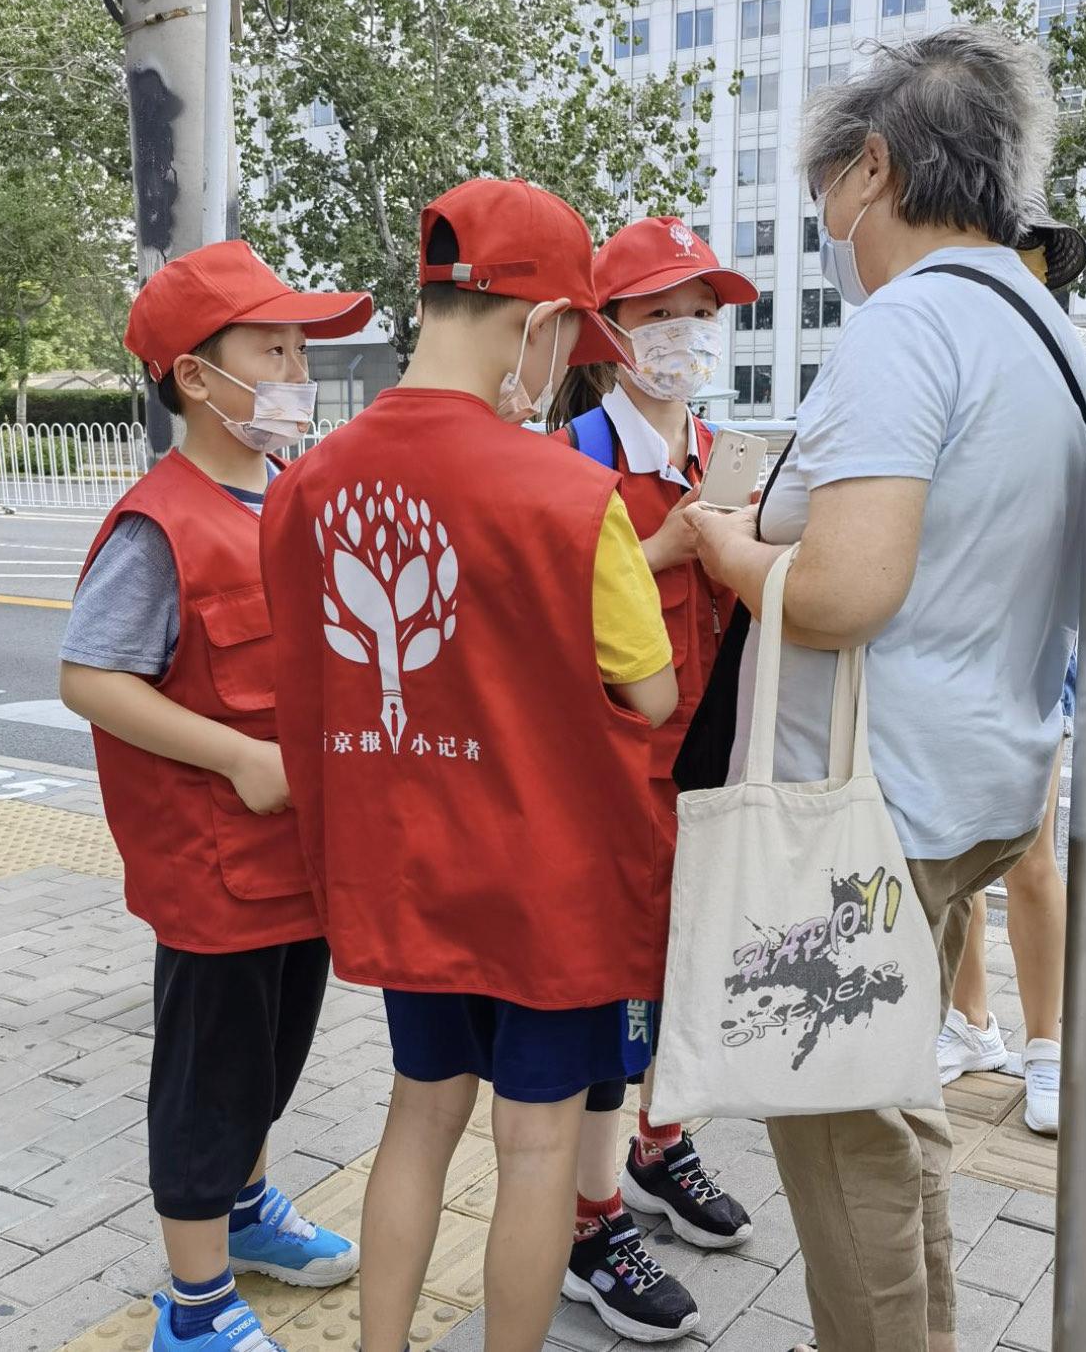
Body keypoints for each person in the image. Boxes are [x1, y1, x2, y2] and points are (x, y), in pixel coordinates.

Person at [685, 25, 1086, 1352]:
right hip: (983, 778)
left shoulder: (907, 322)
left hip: (861, 802)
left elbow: (850, 589)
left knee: (840, 1123)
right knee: (891, 1088)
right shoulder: (1050, 325)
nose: (833, 233)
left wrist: (726, 541)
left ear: (874, 167)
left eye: (829, 202)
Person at [259, 177, 680, 1352]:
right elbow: (648, 692)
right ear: (541, 324)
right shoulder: (568, 496)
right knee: (537, 1145)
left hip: (405, 874)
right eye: (572, 343)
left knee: (417, 1117)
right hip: (549, 892)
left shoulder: (304, 489)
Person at [59, 241, 371, 1352]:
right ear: (195, 375)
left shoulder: (285, 496)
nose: (297, 367)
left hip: (301, 867)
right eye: (272, 347)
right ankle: (193, 1309)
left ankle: (244, 1213)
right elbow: (89, 676)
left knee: (269, 1062)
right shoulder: (163, 522)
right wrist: (235, 757)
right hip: (217, 876)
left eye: (300, 345)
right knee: (206, 1084)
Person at [547, 217, 756, 1341]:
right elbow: (538, 636)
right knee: (614, 1000)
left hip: (706, 777)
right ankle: (587, 1227)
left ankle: (656, 1148)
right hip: (611, 788)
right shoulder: (571, 455)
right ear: (611, 330)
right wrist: (663, 552)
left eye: (704, 312)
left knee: (687, 983)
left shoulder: (718, 450)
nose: (687, 333)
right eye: (664, 312)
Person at [939, 202, 1086, 1137]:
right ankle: (975, 1022)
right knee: (958, 858)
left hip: (1036, 642)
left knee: (1029, 854)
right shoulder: (961, 347)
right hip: (957, 639)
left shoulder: (1068, 359)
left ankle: (1049, 1045)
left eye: (1032, 259)